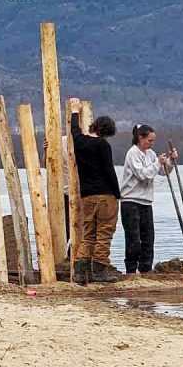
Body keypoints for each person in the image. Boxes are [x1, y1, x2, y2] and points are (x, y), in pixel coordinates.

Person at [68, 97, 120, 285]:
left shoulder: (80, 141)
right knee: (105, 233)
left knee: (88, 234)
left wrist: (75, 110)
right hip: (105, 194)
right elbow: (109, 171)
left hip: (87, 196)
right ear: (107, 132)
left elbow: (74, 129)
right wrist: (117, 193)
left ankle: (80, 273)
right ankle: (99, 271)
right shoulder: (103, 145)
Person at [119, 124, 176, 275]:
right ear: (140, 138)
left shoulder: (150, 154)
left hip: (146, 202)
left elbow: (162, 172)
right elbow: (143, 174)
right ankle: (131, 271)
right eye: (149, 140)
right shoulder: (132, 153)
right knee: (133, 239)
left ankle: (145, 270)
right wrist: (158, 162)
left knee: (148, 239)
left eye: (153, 141)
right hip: (130, 201)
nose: (152, 143)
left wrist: (169, 161)